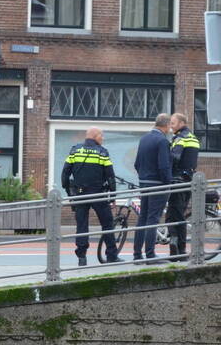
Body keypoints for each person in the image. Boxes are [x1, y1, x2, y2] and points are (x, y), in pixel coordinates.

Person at [61, 127, 122, 266]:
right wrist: (112, 197)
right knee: (107, 224)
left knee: (82, 225)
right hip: (98, 194)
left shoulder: (75, 151)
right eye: (102, 135)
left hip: (80, 194)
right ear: (95, 136)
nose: (103, 138)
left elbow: (65, 174)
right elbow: (110, 177)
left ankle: (82, 257)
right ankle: (111, 255)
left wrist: (70, 193)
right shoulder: (102, 153)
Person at [132, 113, 173, 264]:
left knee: (142, 218)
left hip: (144, 183)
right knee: (152, 219)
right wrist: (168, 182)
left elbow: (137, 163)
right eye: (170, 126)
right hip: (158, 184)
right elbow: (164, 165)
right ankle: (150, 255)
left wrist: (143, 177)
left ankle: (137, 255)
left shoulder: (144, 138)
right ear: (166, 125)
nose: (170, 129)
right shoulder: (162, 141)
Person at [167, 112, 200, 262]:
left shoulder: (181, 138)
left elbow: (175, 157)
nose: (170, 126)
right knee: (180, 213)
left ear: (181, 123)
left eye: (173, 123)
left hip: (177, 181)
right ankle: (181, 249)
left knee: (173, 215)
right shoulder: (193, 138)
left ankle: (176, 249)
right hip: (188, 181)